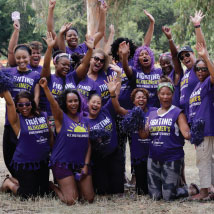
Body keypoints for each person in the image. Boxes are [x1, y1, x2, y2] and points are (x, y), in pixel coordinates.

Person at [39, 77, 94, 205]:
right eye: (70, 101)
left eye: (76, 101)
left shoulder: (85, 120)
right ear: (65, 103)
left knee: (89, 199)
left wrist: (86, 165)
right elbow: (53, 103)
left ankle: (73, 184)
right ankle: (52, 186)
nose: (73, 104)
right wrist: (46, 88)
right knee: (71, 200)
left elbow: (88, 144)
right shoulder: (60, 118)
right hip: (61, 162)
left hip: (80, 163)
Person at [142, 76, 195, 201]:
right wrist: (138, 122)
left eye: (168, 94)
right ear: (158, 95)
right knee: (155, 197)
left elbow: (187, 134)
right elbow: (144, 135)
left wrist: (195, 130)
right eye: (162, 94)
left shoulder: (177, 113)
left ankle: (190, 189)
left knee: (168, 197)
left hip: (171, 158)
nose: (165, 97)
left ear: (172, 95)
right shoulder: (152, 113)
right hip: (154, 158)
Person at [105, 75, 155, 195]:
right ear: (133, 101)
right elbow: (117, 108)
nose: (141, 99)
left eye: (143, 97)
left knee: (154, 190)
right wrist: (112, 93)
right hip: (138, 157)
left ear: (147, 99)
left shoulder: (154, 112)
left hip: (153, 156)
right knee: (142, 191)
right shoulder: (130, 114)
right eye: (138, 98)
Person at [0, 90, 52, 199]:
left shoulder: (43, 115)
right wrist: (3, 85)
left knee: (43, 193)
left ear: (32, 103)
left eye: (27, 104)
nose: (24, 107)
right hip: (25, 164)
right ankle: (8, 182)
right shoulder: (17, 120)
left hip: (42, 161)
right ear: (16, 107)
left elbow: (50, 136)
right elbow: (9, 103)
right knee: (28, 195)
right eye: (20, 105)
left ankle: (20, 182)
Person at [2, 44, 40, 177]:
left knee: (25, 151)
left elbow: (36, 98)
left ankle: (21, 178)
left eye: (24, 57)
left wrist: (33, 113)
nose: (21, 60)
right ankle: (14, 177)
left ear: (30, 57)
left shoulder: (35, 75)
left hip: (27, 120)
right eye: (18, 58)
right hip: (11, 119)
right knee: (8, 152)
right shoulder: (9, 72)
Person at [40, 32, 94, 116]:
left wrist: (90, 50)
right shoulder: (49, 78)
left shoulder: (72, 77)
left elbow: (84, 64)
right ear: (55, 64)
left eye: (68, 65)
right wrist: (50, 48)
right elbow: (46, 67)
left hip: (71, 119)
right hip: (53, 119)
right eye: (63, 64)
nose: (67, 67)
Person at [188, 43, 214, 200]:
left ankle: (204, 191)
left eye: (204, 69)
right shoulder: (196, 85)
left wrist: (204, 56)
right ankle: (210, 189)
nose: (201, 71)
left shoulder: (209, 82)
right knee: (206, 160)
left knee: (203, 160)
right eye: (198, 69)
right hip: (199, 130)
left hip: (207, 128)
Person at [178, 11, 206, 120]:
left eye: (187, 54)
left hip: (200, 115)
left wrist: (197, 26)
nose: (185, 58)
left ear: (193, 54)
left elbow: (202, 47)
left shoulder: (198, 68)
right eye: (182, 57)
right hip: (189, 116)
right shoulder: (186, 72)